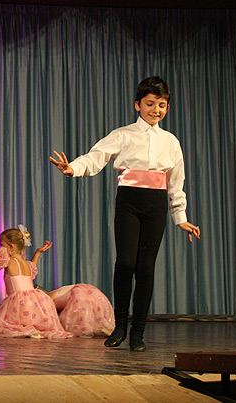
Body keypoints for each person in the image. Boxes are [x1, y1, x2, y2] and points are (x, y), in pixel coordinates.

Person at [50, 76, 201, 351]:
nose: (156, 110)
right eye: (150, 104)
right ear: (137, 105)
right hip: (129, 201)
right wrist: (73, 168)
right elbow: (96, 156)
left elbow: (176, 181)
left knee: (146, 267)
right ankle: (120, 326)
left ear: (167, 108)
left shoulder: (171, 141)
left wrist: (180, 216)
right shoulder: (123, 134)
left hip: (156, 204)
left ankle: (138, 332)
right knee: (126, 263)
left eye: (161, 105)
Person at [0, 227, 72, 339]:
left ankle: (28, 332)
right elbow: (33, 265)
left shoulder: (9, 261)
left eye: (2, 245)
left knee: (9, 325)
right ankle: (32, 331)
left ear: (11, 247)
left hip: (19, 303)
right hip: (36, 302)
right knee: (30, 323)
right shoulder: (27, 265)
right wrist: (38, 253)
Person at [48, 283, 115, 337]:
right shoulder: (58, 292)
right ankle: (101, 327)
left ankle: (98, 328)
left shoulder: (48, 298)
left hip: (79, 294)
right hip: (92, 292)